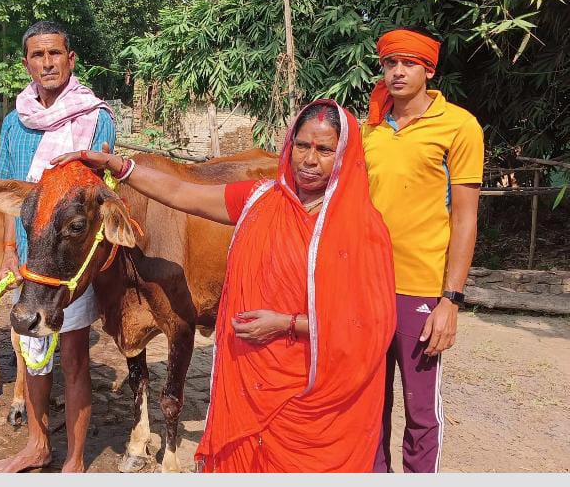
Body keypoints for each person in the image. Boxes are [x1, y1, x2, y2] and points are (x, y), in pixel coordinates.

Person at [51, 100, 396, 472]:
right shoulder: (261, 199)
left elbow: (368, 325)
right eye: (302, 146)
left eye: (325, 149)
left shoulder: (363, 230)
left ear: (345, 156)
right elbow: (183, 195)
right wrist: (120, 166)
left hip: (315, 396)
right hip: (249, 380)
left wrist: (286, 324)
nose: (310, 160)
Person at [0, 21, 115, 473]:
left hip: (70, 262)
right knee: (31, 354)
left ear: (70, 59)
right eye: (38, 55)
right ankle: (37, 445)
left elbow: (100, 192)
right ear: (27, 63)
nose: (47, 63)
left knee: (75, 355)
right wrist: (8, 248)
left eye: (55, 54)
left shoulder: (95, 118)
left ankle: (76, 460)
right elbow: (9, 193)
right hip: (28, 255)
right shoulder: (14, 123)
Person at [364, 28, 484, 473]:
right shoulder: (370, 130)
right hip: (368, 289)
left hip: (420, 291)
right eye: (389, 63)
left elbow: (465, 218)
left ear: (429, 70)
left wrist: (450, 300)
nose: (397, 72)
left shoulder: (459, 127)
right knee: (369, 408)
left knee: (420, 413)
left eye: (408, 63)